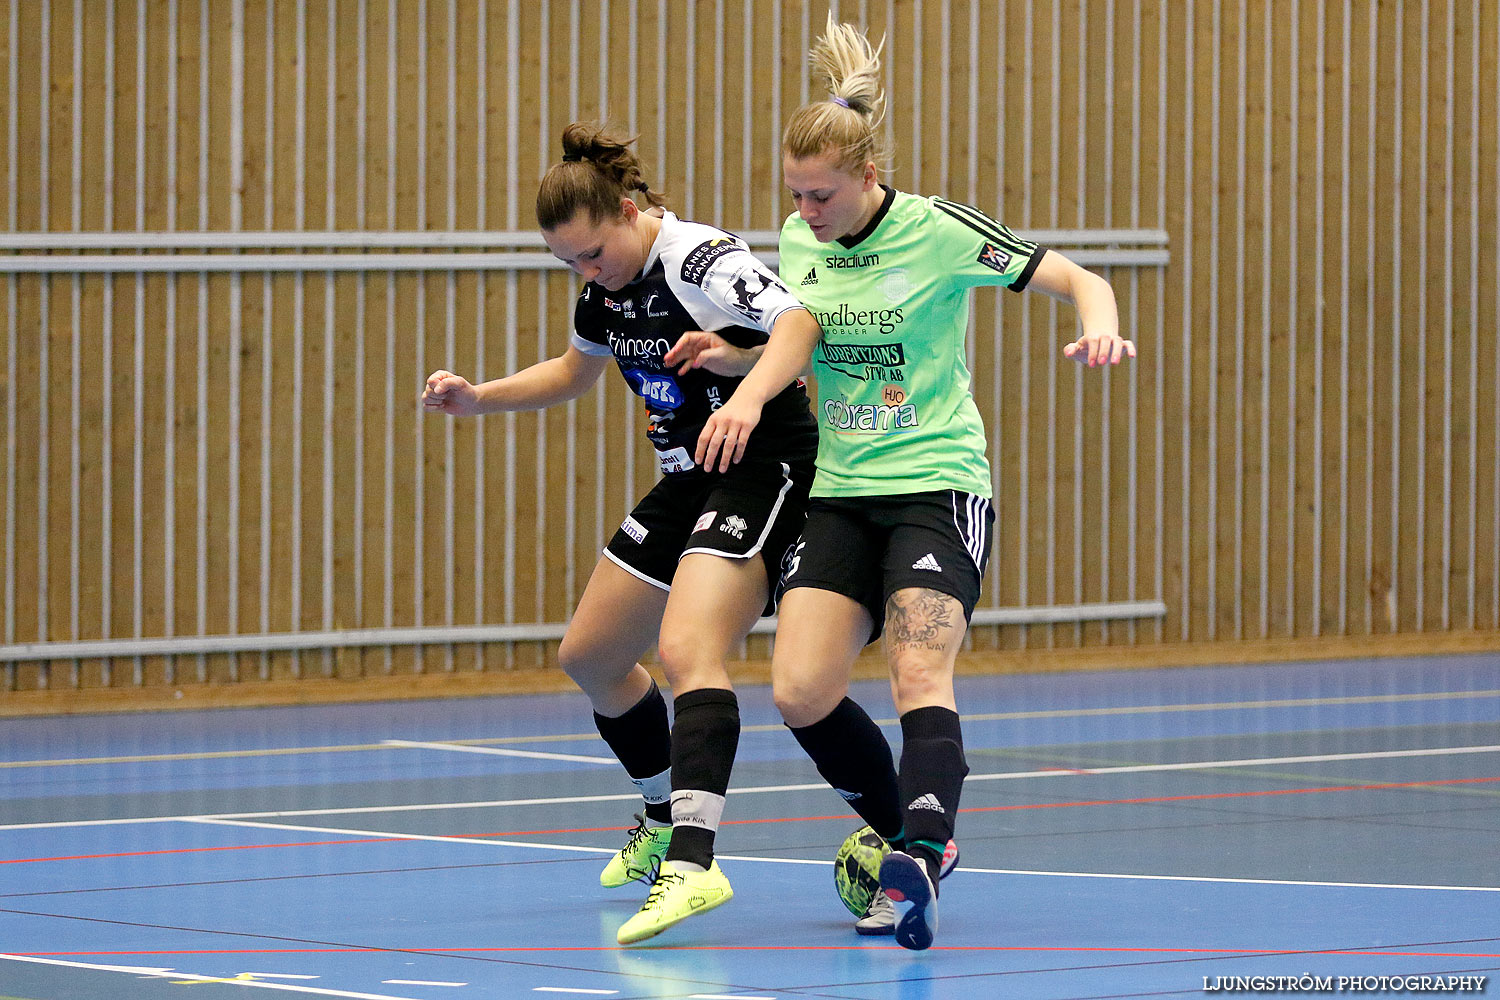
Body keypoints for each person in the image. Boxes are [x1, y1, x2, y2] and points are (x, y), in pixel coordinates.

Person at [689, 17, 1136, 951]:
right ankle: (902, 837)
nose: (805, 214)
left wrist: (1100, 323)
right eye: (796, 198)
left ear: (867, 178)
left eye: (821, 196)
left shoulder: (935, 231)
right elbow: (802, 333)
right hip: (844, 490)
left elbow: (1077, 276)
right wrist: (739, 369)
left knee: (916, 664)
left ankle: (922, 855)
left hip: (937, 482)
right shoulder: (801, 238)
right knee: (802, 689)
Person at [422, 122, 822, 945]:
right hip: (687, 475)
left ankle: (693, 861)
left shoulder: (699, 259)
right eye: (570, 263)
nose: (588, 273)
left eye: (594, 253)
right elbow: (575, 371)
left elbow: (798, 326)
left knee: (687, 650)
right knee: (592, 656)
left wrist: (744, 399)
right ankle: (656, 810)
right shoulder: (602, 290)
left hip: (760, 463)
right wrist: (477, 397)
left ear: (631, 211)